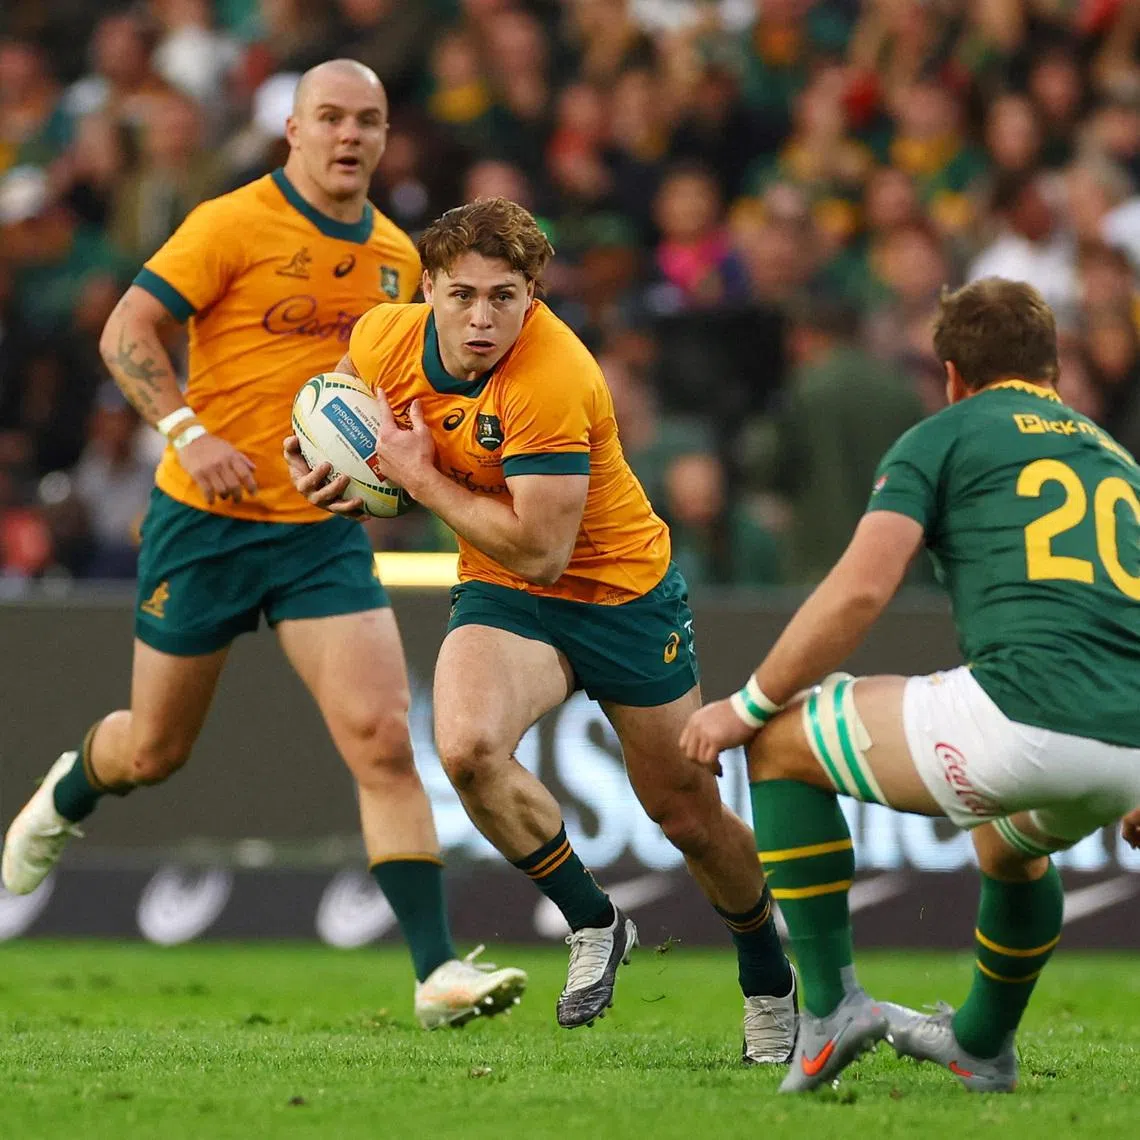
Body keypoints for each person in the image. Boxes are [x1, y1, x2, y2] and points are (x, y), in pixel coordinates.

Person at [1, 59, 526, 1030]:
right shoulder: (231, 222)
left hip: (318, 534)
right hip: (203, 524)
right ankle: (63, 793)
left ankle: (436, 972)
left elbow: (393, 397)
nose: (348, 136)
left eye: (367, 120)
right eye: (329, 117)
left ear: (383, 136)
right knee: (153, 749)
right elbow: (128, 330)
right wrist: (186, 434)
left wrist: (384, 476)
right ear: (292, 129)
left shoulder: (395, 257)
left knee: (381, 738)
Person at [283, 196, 798, 1060]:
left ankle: (769, 977)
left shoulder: (554, 375)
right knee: (466, 750)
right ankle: (596, 922)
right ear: (429, 289)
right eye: (463, 295)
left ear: (535, 295)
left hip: (619, 594)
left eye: (505, 297)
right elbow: (358, 435)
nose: (482, 318)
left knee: (684, 812)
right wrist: (327, 470)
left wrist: (420, 481)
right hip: (503, 592)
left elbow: (544, 549)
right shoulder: (379, 340)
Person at [680, 277, 1140, 1093]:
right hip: (1127, 746)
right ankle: (980, 1043)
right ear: (1056, 371)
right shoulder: (1114, 458)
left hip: (1022, 716)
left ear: (953, 374)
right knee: (1010, 847)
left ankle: (829, 1010)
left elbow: (861, 589)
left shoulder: (946, 434)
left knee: (781, 742)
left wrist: (744, 704)